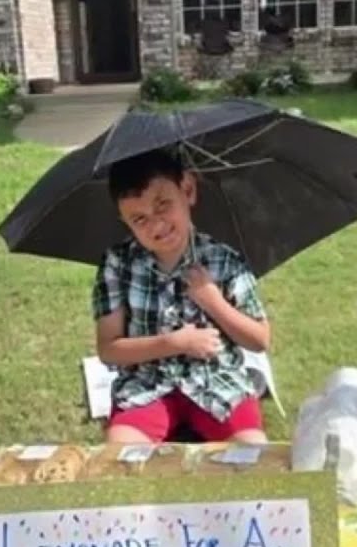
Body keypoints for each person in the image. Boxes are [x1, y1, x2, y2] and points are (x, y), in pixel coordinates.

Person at [91, 148, 271, 445]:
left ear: (187, 190)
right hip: (146, 385)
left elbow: (259, 339)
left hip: (218, 381)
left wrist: (213, 301)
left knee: (252, 450)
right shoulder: (118, 264)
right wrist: (175, 343)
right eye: (139, 219)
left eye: (163, 205)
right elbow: (109, 349)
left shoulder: (223, 259)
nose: (156, 225)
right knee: (120, 453)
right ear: (125, 221)